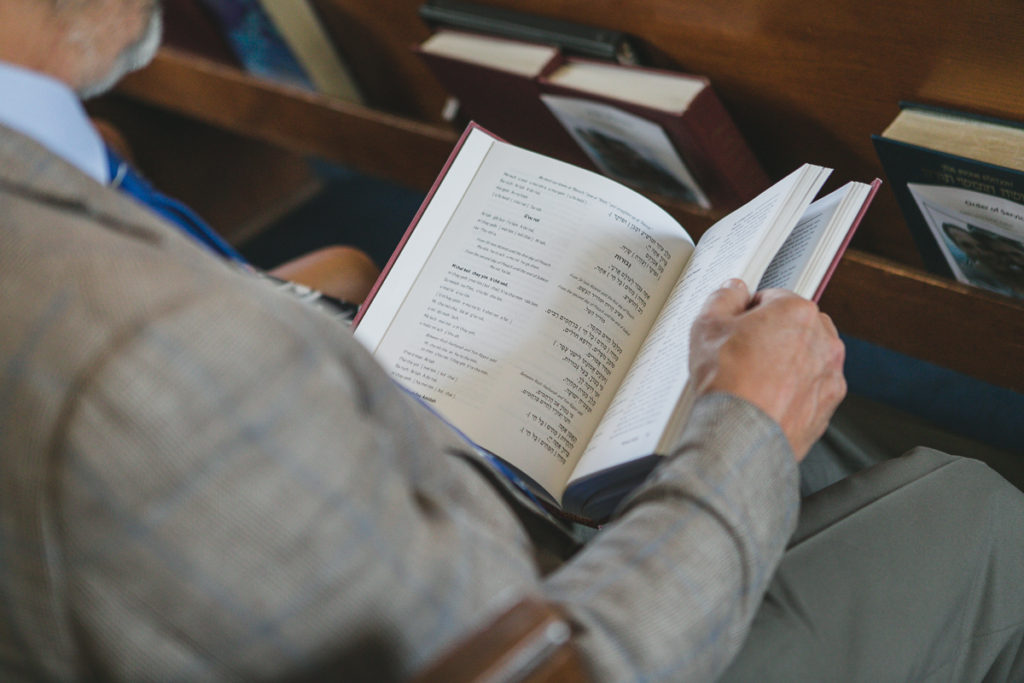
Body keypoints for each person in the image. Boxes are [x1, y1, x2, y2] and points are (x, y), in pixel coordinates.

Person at [0, 1, 1022, 680]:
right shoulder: (144, 360)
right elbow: (550, 662)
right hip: (549, 622)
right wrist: (745, 429)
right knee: (978, 516)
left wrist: (288, 313)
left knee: (846, 433)